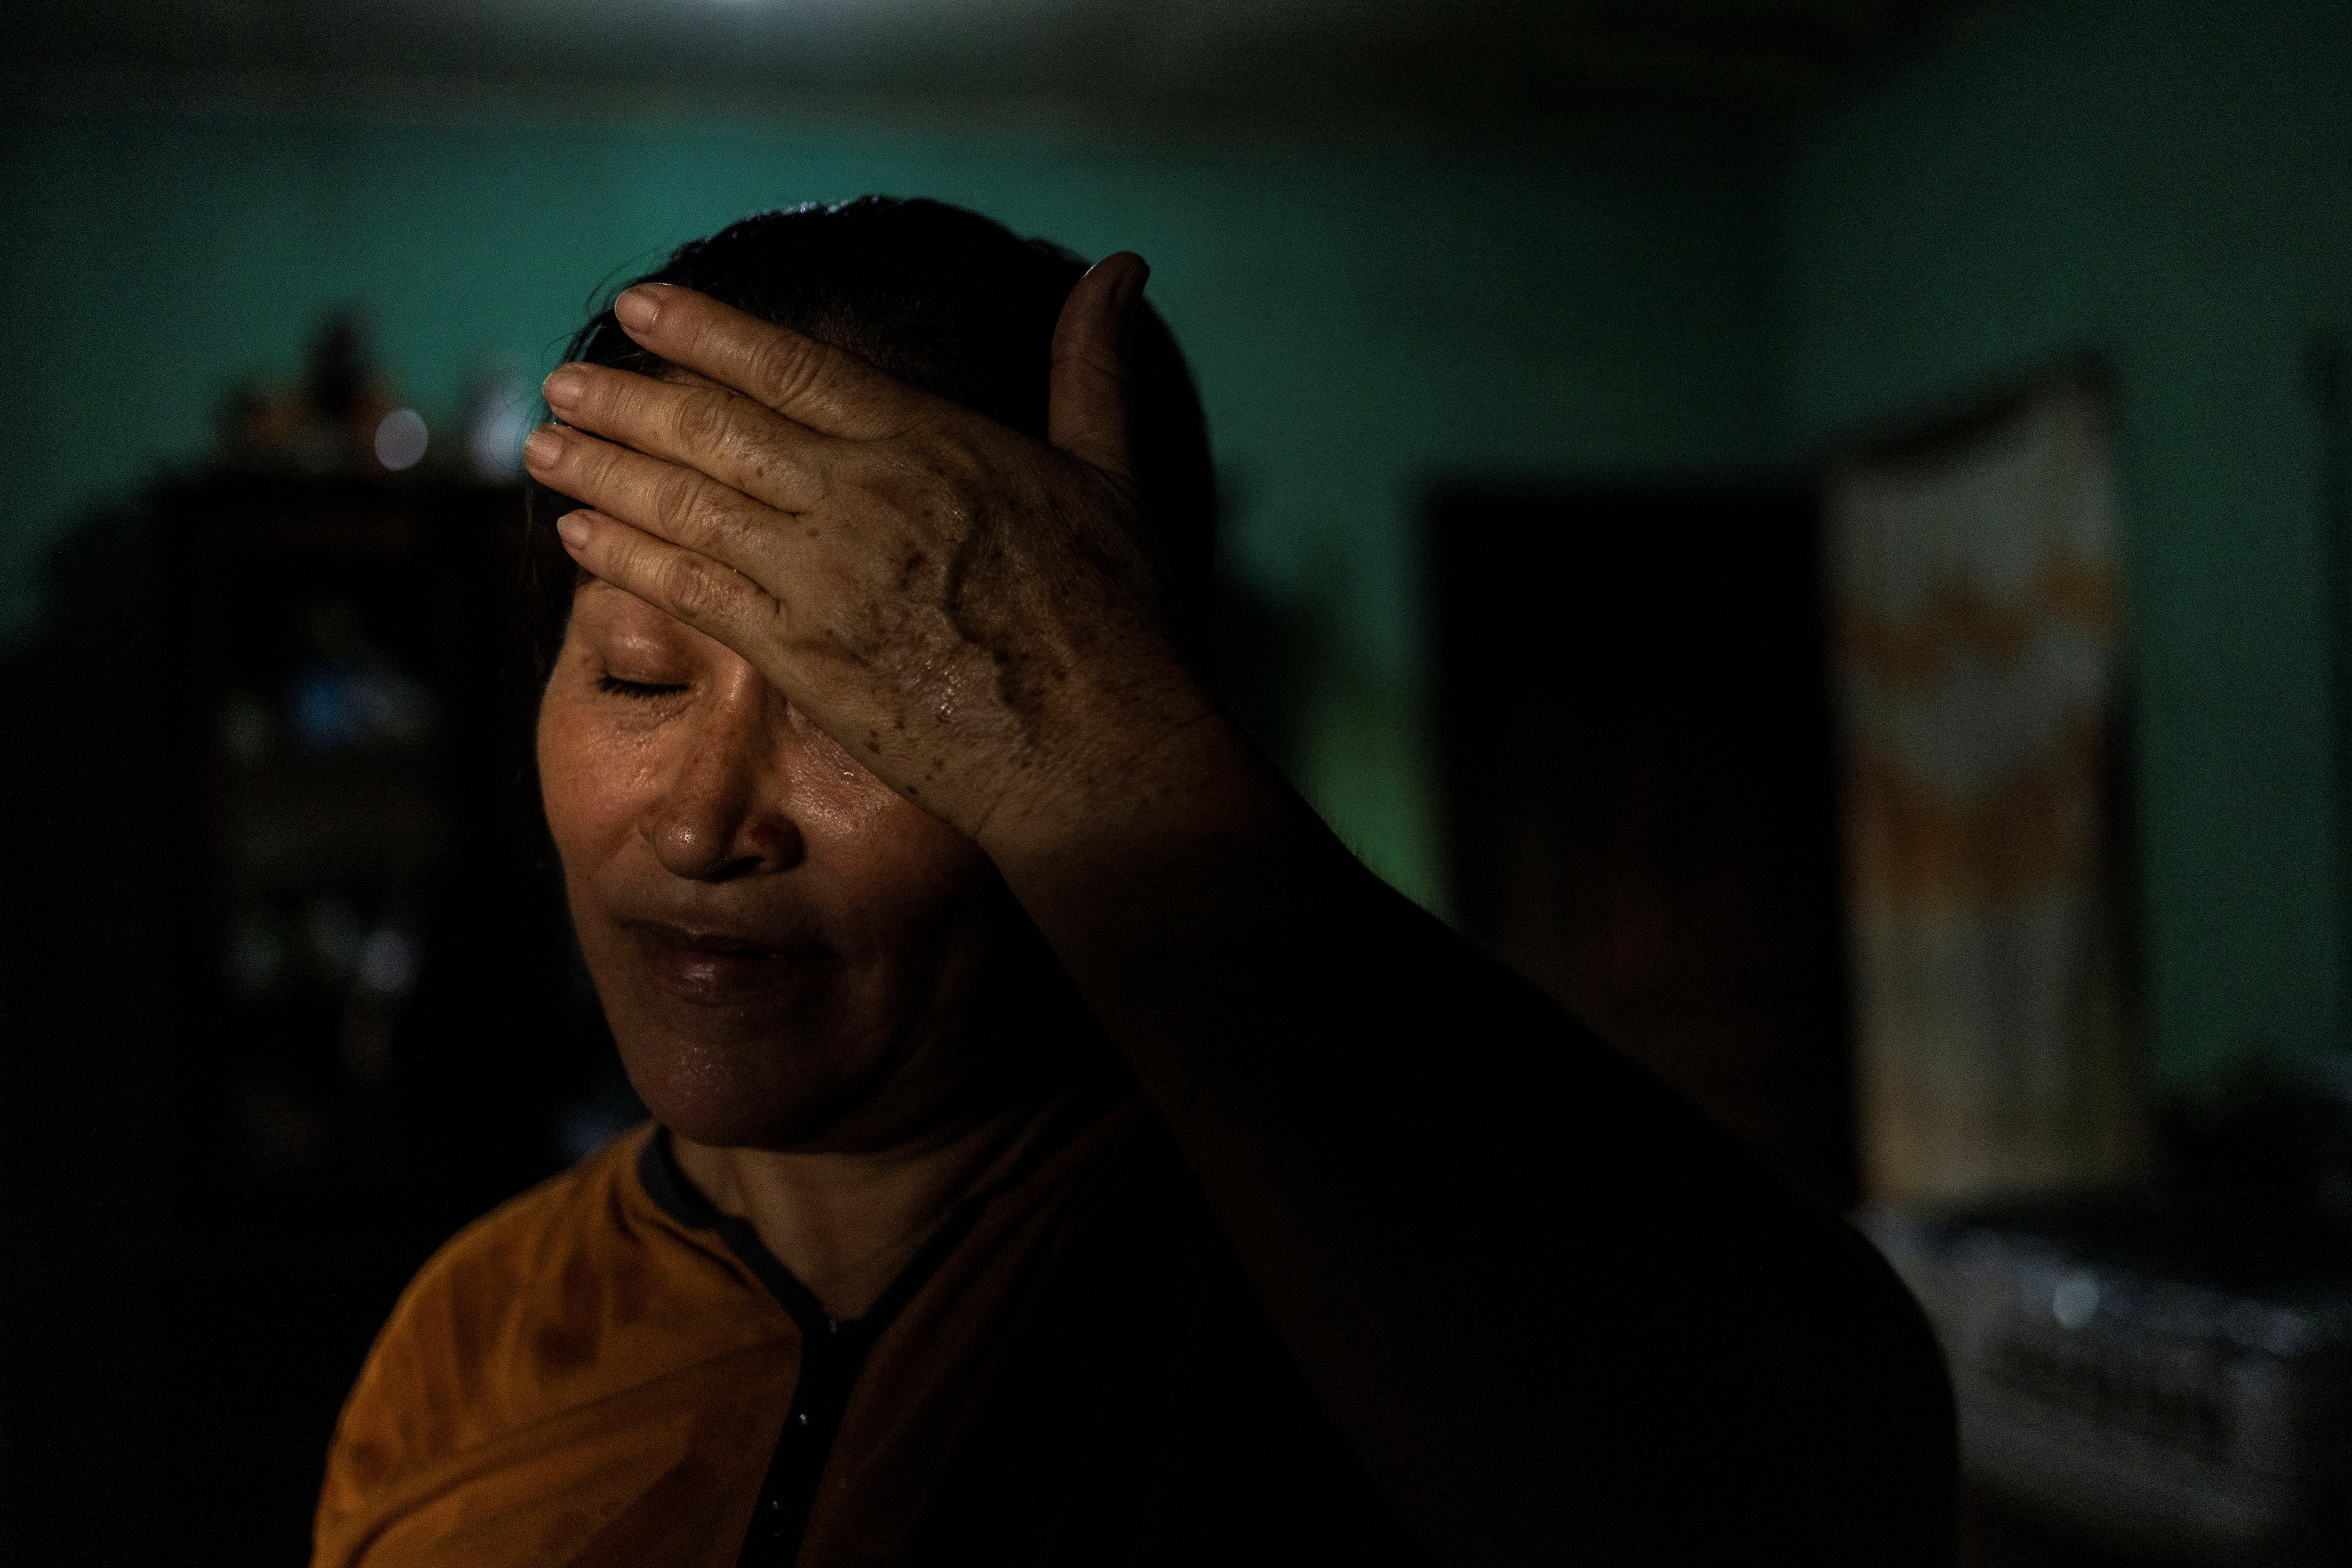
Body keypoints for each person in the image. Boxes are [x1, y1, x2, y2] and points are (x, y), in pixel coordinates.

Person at [311, 196, 1954, 1568]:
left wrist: (1111, 757)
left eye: (875, 706)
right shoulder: (472, 1344)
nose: (699, 826)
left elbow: (1818, 1483)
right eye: (641, 681)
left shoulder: (1296, 1284)